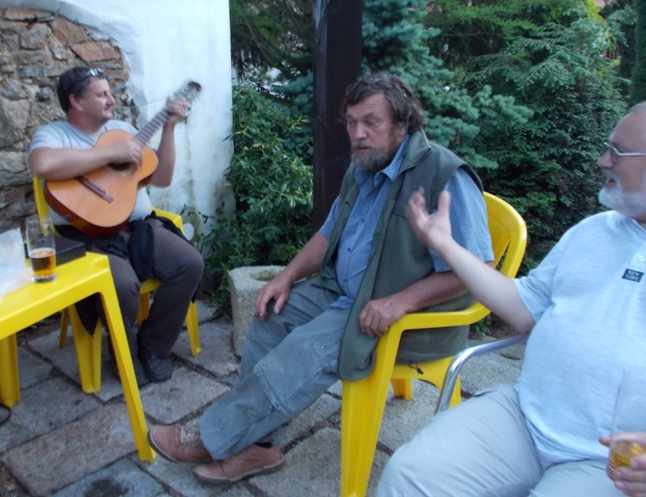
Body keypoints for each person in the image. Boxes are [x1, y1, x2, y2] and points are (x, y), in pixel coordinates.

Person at [147, 72, 494, 484]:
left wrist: (399, 302)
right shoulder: (365, 165)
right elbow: (329, 232)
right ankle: (259, 446)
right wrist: (287, 276)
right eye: (352, 122)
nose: (358, 134)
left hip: (396, 314)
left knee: (302, 352)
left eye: (371, 122)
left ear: (403, 125)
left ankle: (209, 437)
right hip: (343, 292)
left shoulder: (444, 175)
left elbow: (480, 271)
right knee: (270, 315)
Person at [380, 100, 646, 497]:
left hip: (612, 460)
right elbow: (524, 307)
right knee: (409, 475)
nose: (602, 161)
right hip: (525, 417)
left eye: (618, 151)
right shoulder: (594, 231)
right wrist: (446, 246)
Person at [29, 66, 204, 386]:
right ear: (76, 101)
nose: (112, 99)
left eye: (110, 92)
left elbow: (162, 177)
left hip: (139, 227)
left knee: (189, 263)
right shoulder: (54, 134)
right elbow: (42, 164)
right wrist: (111, 153)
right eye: (102, 94)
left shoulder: (122, 130)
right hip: (85, 236)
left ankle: (154, 346)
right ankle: (123, 349)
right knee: (123, 284)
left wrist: (168, 128)